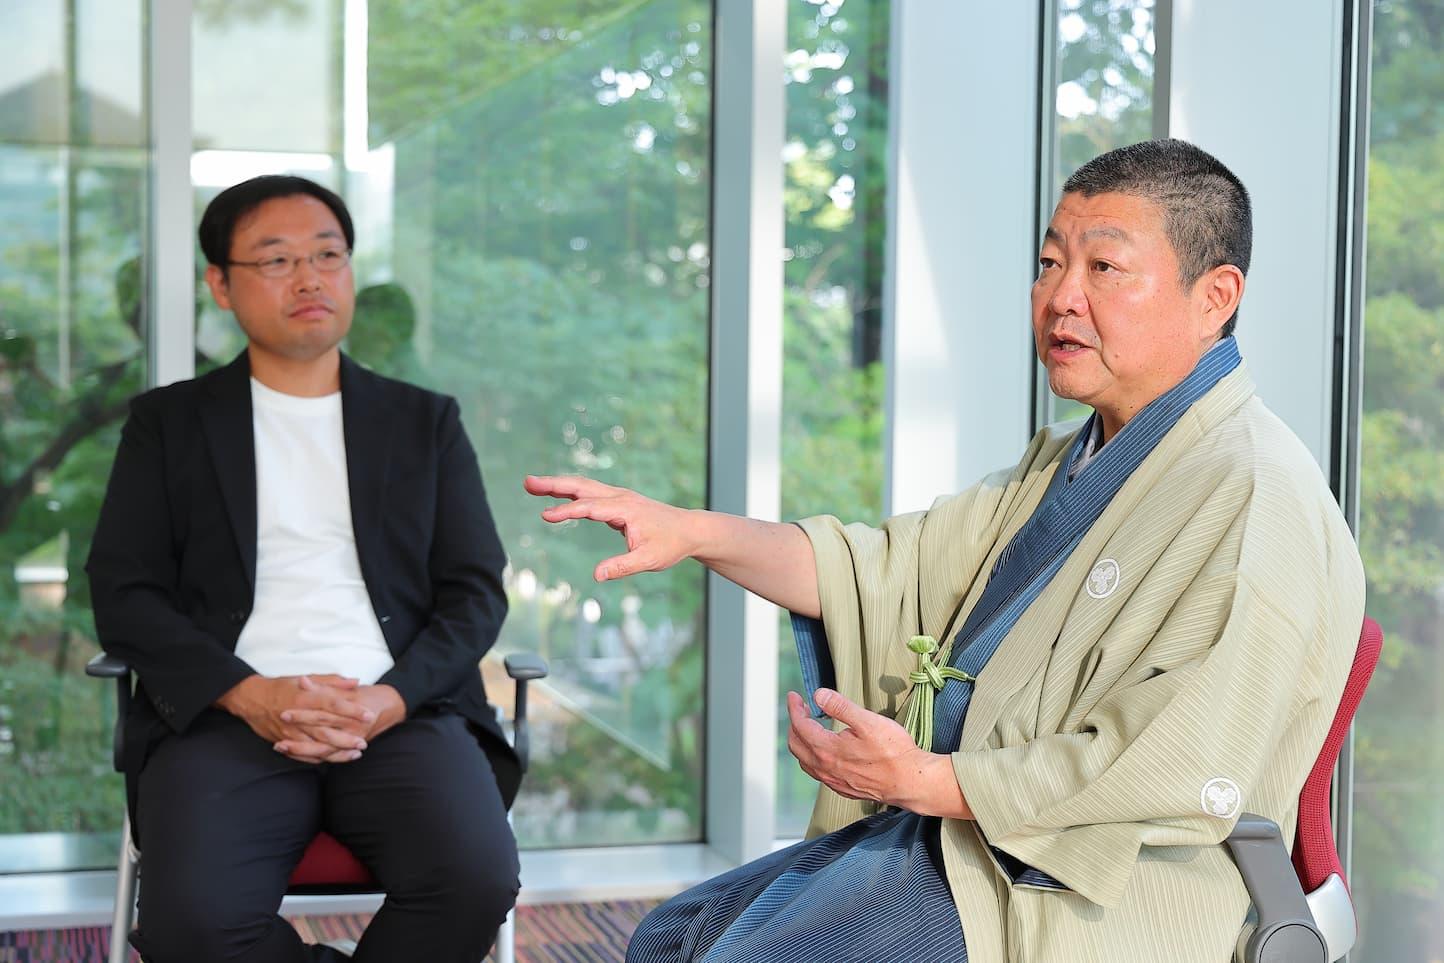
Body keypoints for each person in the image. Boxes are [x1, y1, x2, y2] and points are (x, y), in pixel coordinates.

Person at [525, 139, 1364, 962]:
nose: (1061, 297)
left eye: (1104, 268)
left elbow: (1173, 762)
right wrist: (693, 531)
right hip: (960, 835)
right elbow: (880, 572)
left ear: (1215, 296)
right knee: (670, 937)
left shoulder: (1258, 498)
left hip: (1084, 891)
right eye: (1049, 264)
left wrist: (919, 779)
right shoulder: (1067, 459)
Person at [86, 175, 517, 963]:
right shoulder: (168, 425)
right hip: (227, 714)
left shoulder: (424, 422)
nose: (311, 278)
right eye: (277, 259)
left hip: (399, 710)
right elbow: (124, 592)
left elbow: (475, 591)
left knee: (474, 880)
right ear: (221, 285)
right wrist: (253, 696)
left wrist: (390, 697)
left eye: (327, 255)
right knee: (191, 927)